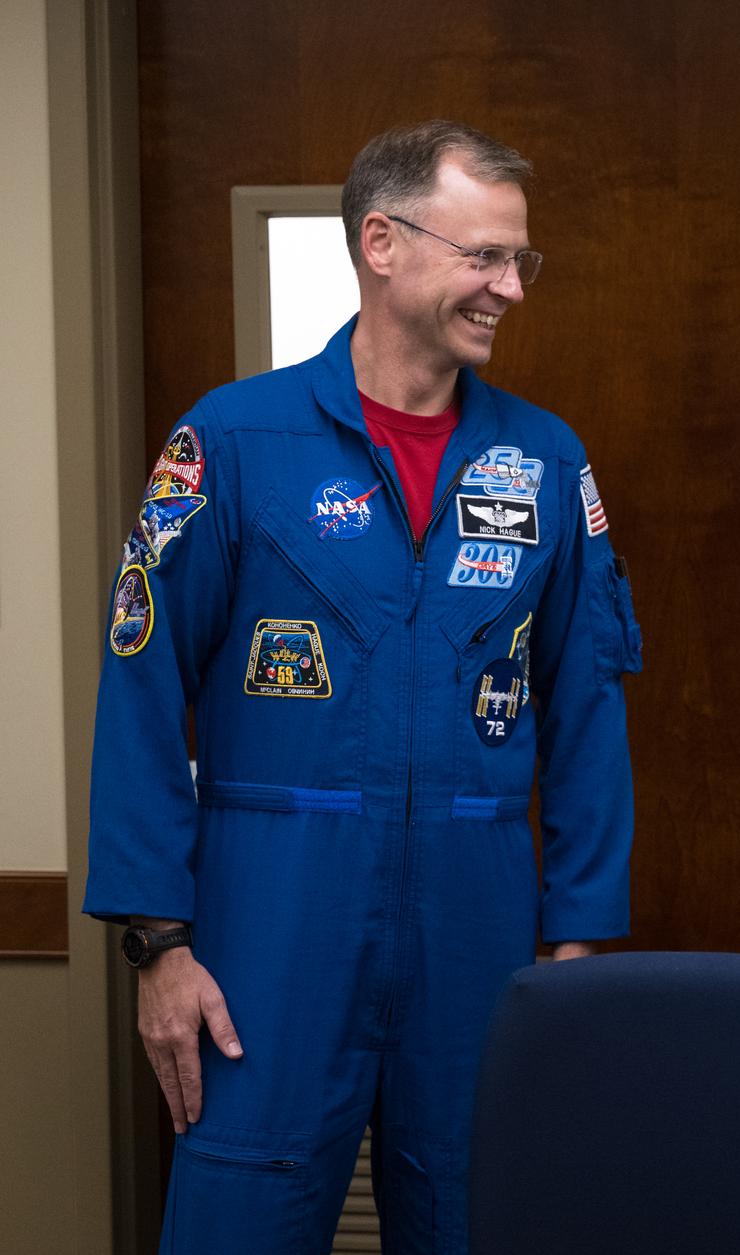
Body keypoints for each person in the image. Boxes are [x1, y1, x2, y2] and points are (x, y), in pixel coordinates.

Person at [84, 120, 644, 1254]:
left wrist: (578, 945)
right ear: (381, 243)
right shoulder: (235, 441)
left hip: (477, 929)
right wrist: (159, 945)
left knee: (481, 1217)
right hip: (271, 931)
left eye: (519, 260)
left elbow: (585, 704)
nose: (509, 288)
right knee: (243, 1217)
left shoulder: (544, 462)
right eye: (484, 256)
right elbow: (139, 686)